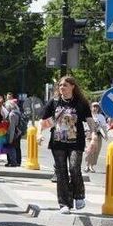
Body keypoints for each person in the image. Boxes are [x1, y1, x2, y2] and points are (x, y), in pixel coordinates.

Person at [39, 75, 94, 214]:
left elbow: (90, 121)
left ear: (72, 87)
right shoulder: (54, 102)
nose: (62, 88)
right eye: (60, 85)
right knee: (61, 172)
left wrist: (93, 139)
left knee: (74, 168)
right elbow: (43, 120)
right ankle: (64, 203)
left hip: (76, 142)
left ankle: (79, 195)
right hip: (58, 143)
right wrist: (39, 133)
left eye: (65, 85)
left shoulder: (80, 102)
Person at [84, 102, 108, 172]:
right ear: (91, 107)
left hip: (98, 135)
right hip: (89, 134)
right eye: (94, 107)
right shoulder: (88, 115)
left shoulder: (101, 116)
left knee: (96, 151)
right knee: (89, 150)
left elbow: (103, 126)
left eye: (97, 107)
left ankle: (91, 166)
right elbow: (83, 124)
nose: (95, 108)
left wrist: (106, 135)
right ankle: (87, 165)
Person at [5, 97, 23, 167]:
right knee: (17, 147)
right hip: (18, 132)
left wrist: (10, 139)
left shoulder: (12, 115)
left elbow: (12, 128)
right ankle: (18, 161)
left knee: (11, 146)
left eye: (6, 106)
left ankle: (13, 162)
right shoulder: (17, 111)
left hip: (14, 133)